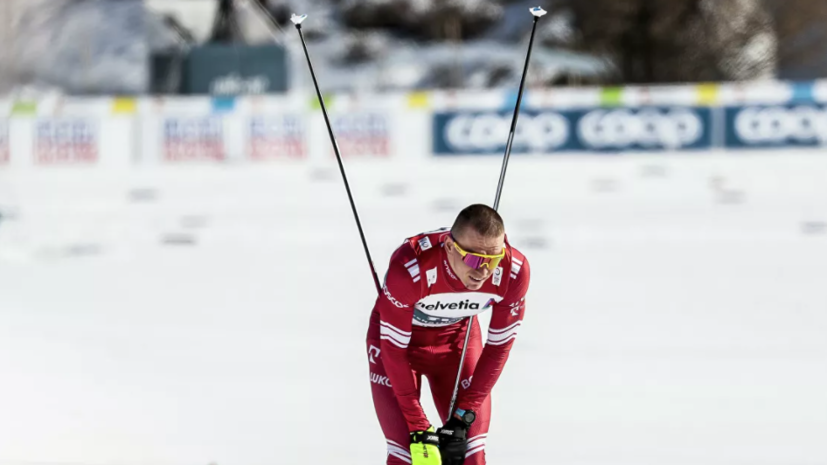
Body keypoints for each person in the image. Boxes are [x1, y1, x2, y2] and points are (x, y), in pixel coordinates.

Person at [366, 204, 531, 465]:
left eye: (493, 259)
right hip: (400, 351)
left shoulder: (513, 270)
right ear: (451, 247)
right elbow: (394, 350)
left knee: (470, 455)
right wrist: (418, 425)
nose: (483, 272)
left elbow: (499, 347)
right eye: (475, 259)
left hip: (458, 343)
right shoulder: (410, 270)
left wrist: (463, 416)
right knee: (409, 456)